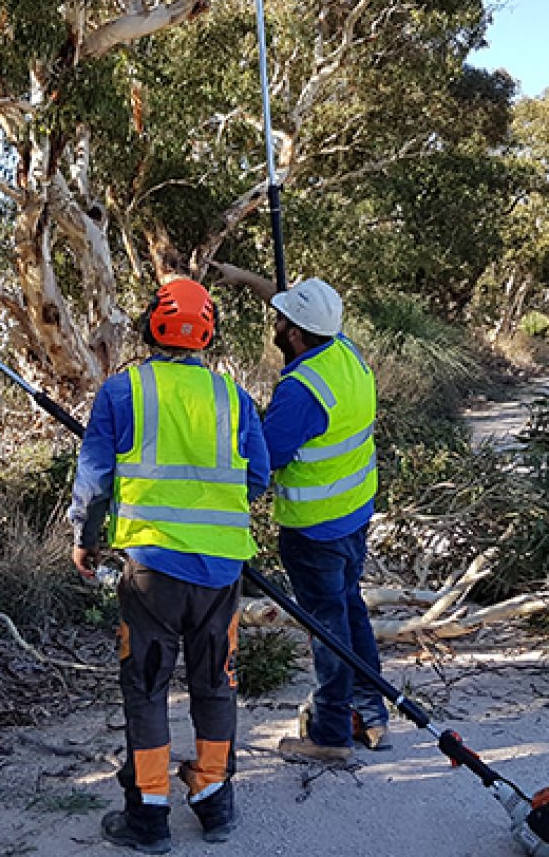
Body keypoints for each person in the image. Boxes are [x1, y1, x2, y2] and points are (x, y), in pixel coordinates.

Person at [68, 278, 270, 854]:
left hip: (152, 568)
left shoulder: (123, 391)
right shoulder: (233, 398)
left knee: (146, 686)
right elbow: (257, 478)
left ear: (149, 327)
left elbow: (95, 481)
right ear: (208, 334)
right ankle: (214, 799)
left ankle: (149, 812)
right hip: (222, 572)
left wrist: (85, 538)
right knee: (215, 683)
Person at [210, 262, 389, 761]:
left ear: (293, 333)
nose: (275, 323)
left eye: (281, 320)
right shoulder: (344, 353)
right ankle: (370, 713)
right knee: (349, 610)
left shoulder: (301, 391)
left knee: (327, 628)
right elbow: (297, 306)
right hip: (353, 513)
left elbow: (265, 459)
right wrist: (243, 278)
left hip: (314, 531)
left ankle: (330, 734)